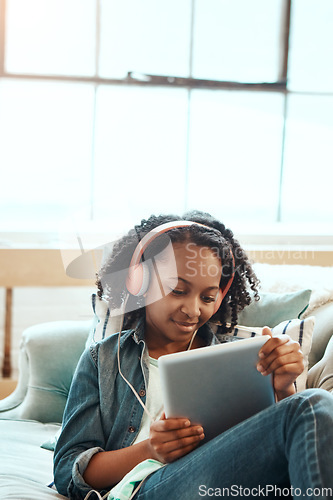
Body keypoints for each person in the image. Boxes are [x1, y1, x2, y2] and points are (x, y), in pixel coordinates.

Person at [53, 210, 333, 500]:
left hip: (229, 485)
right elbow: (66, 469)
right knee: (312, 405)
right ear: (140, 283)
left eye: (207, 297)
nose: (193, 310)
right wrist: (150, 449)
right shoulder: (104, 360)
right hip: (147, 488)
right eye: (177, 290)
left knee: (312, 406)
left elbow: (268, 450)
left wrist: (283, 387)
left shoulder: (238, 358)